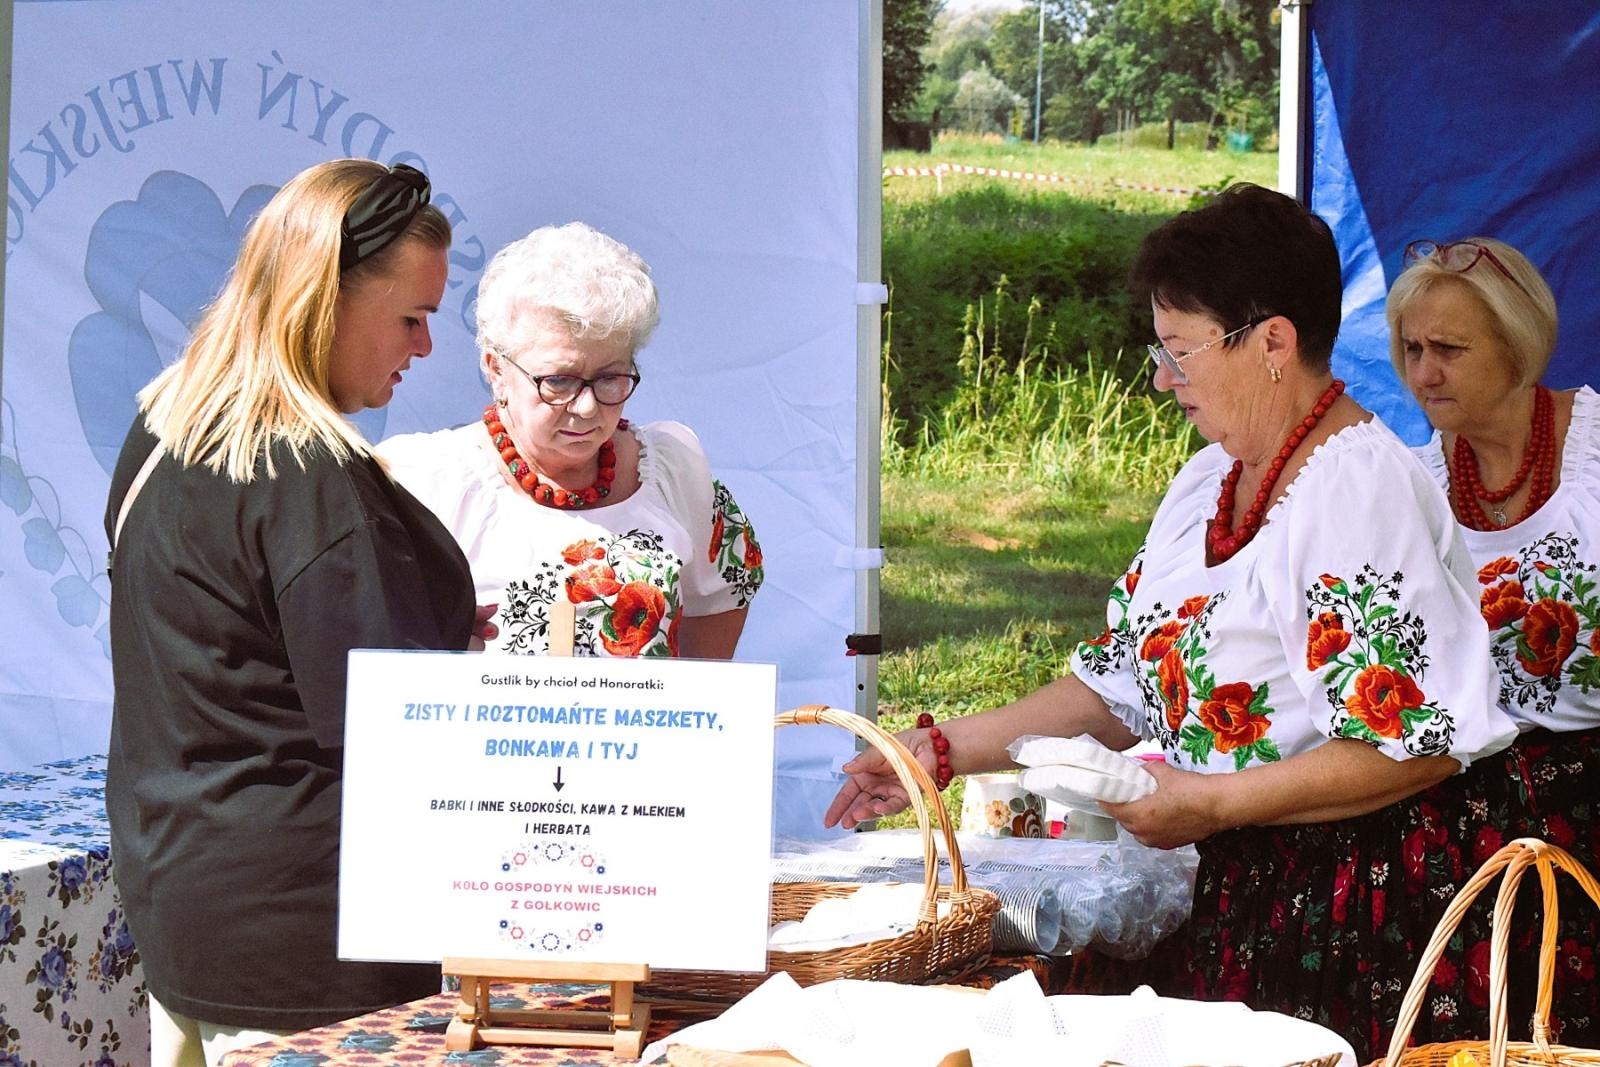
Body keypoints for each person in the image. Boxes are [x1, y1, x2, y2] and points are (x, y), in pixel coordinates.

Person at [825, 184, 1520, 1060]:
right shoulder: (1209, 482)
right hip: (1251, 880)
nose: (1162, 377)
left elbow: (1414, 742)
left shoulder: (1354, 488)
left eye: (1180, 352)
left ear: (1273, 341)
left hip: (1359, 901)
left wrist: (1212, 801)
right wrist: (940, 751)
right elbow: (1116, 685)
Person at [104, 159, 474, 1067]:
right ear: (327, 300)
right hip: (306, 953)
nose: (424, 348)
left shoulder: (169, 427)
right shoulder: (310, 481)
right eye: (411, 318)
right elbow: (392, 728)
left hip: (186, 898)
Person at [1390, 236, 1599, 1045]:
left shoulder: (1591, 453)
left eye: (1448, 349)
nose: (1423, 373)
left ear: (1516, 346)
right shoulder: (1413, 482)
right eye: (1410, 348)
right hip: (1471, 785)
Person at [379, 222, 762, 660]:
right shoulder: (427, 480)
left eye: (610, 378)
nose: (586, 408)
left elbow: (721, 599)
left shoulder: (673, 468)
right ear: (496, 369)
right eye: (559, 381)